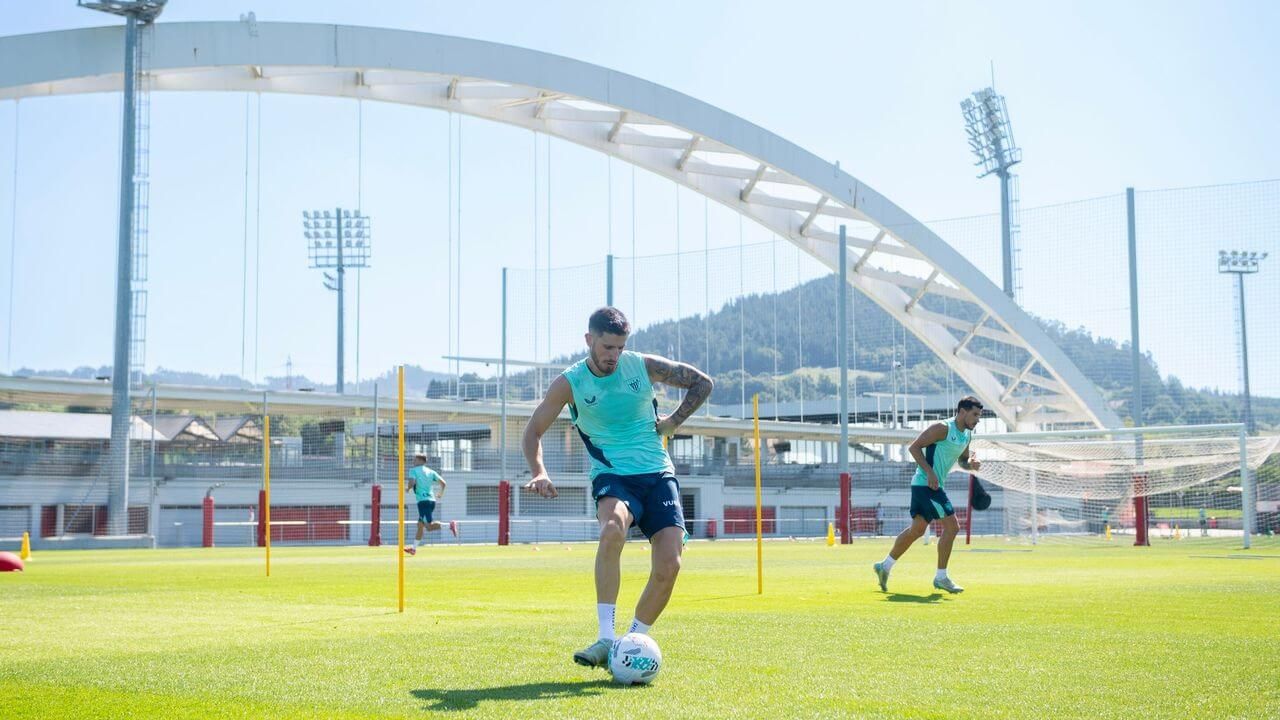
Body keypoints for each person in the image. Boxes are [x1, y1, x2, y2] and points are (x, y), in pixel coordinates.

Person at [522, 307, 713, 669]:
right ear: (589, 340)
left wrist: (672, 421)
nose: (614, 356)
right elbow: (532, 430)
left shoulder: (642, 365)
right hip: (613, 474)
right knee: (612, 530)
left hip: (658, 473)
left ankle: (629, 642)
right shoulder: (570, 382)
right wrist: (540, 470)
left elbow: (704, 383)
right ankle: (605, 638)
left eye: (620, 347)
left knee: (670, 564)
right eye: (608, 347)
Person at [873, 397, 984, 594]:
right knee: (952, 527)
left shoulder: (967, 435)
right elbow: (914, 447)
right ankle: (941, 577)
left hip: (930, 485)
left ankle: (885, 566)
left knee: (917, 530)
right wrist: (930, 472)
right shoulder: (942, 428)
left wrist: (971, 465)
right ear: (962, 412)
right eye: (975, 414)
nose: (977, 419)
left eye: (979, 416)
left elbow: (963, 460)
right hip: (926, 484)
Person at [404, 453, 457, 555]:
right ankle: (413, 549)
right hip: (431, 501)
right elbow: (443, 483)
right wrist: (440, 494)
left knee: (428, 526)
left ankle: (449, 525)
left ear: (420, 460)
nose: (413, 461)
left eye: (415, 459)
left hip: (423, 502)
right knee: (420, 525)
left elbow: (412, 482)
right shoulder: (431, 471)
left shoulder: (413, 470)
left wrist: (408, 488)